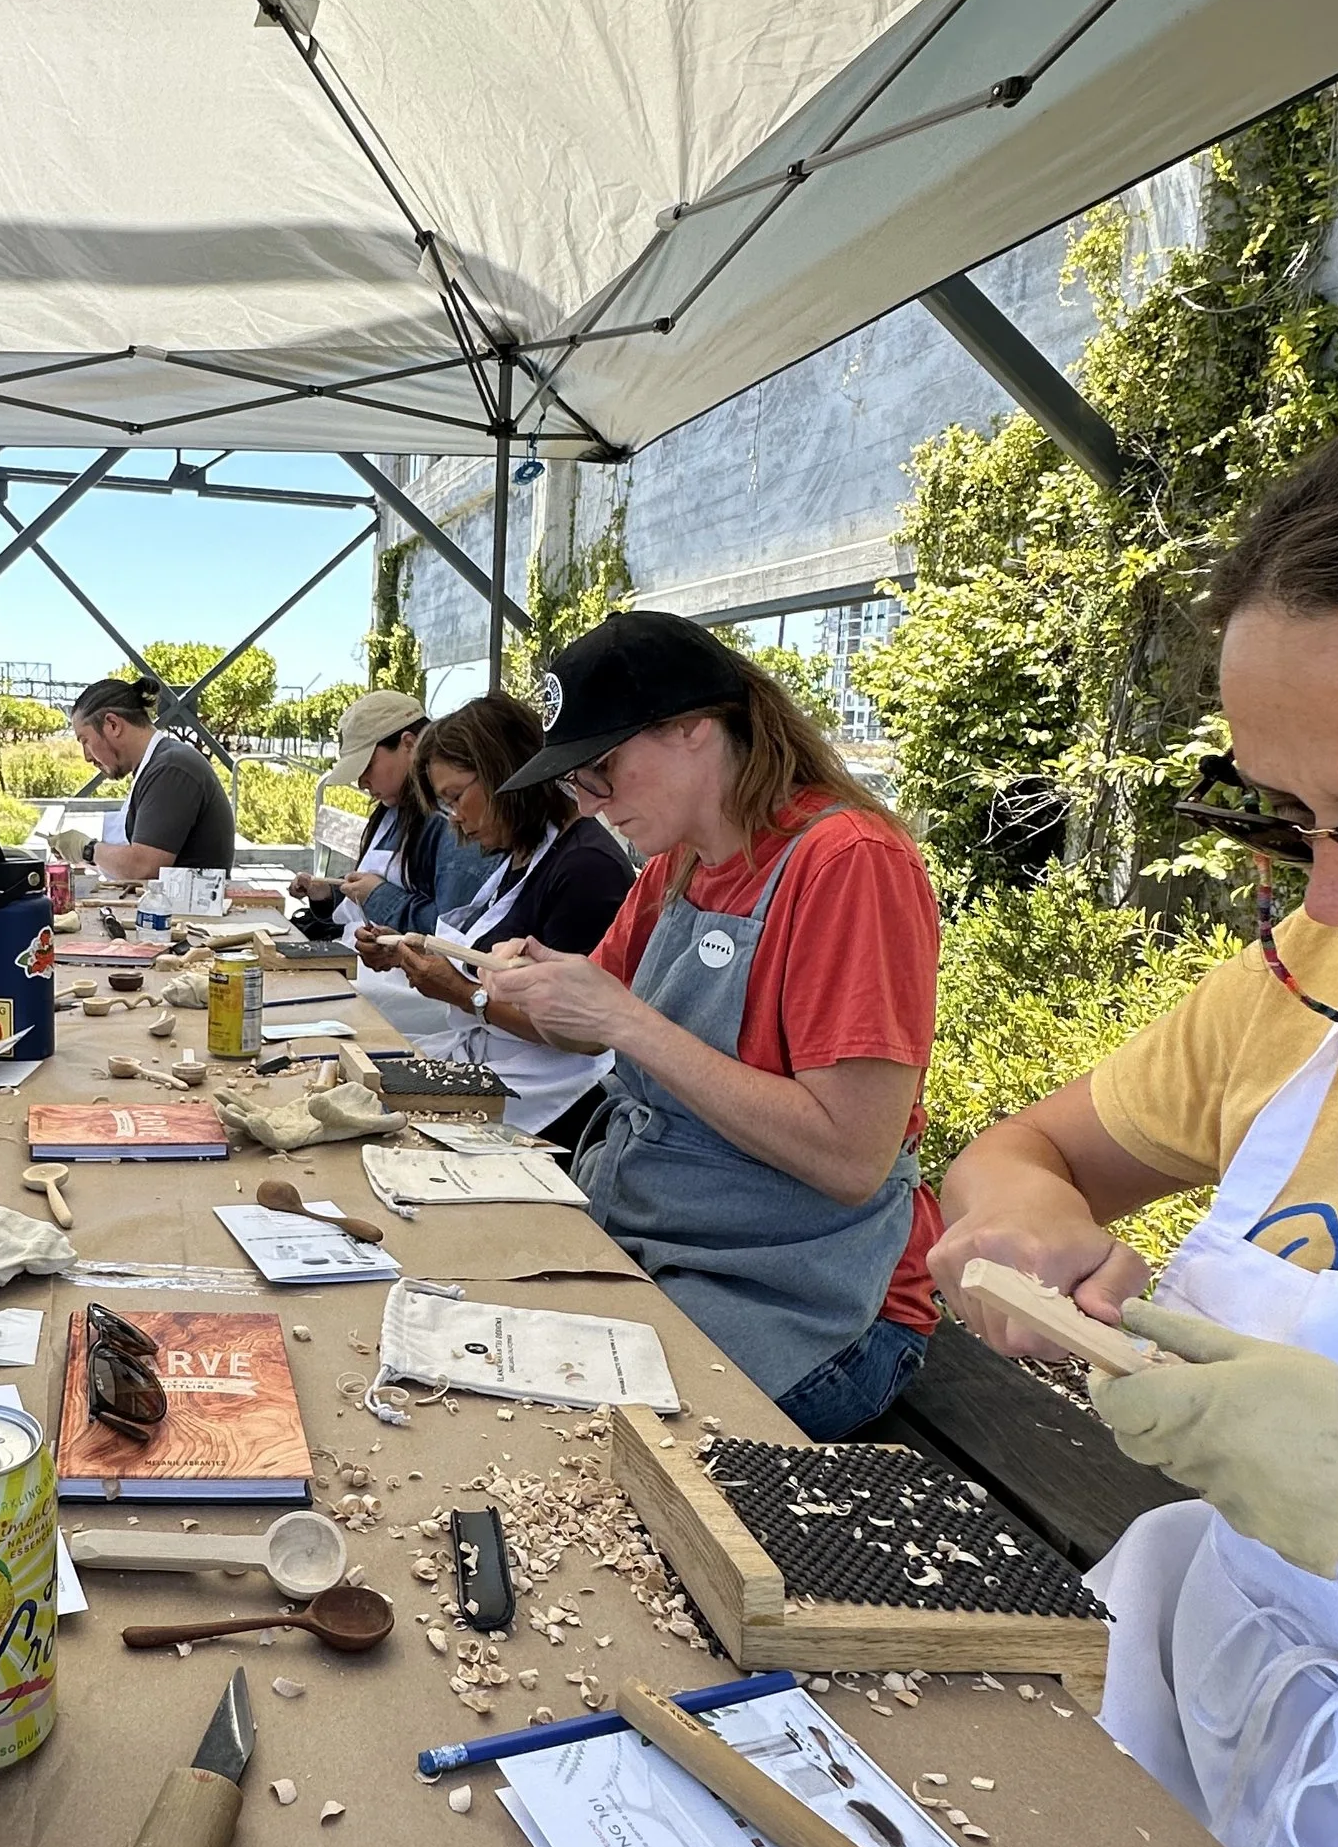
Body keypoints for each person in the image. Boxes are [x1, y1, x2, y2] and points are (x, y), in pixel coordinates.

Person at [933, 418, 1338, 1847]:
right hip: (1229, 1740)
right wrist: (1026, 1215)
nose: (1328, 893)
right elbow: (1016, 1150)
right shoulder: (1315, 984)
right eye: (1287, 818)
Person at [485, 613, 942, 1436]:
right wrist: (542, 987)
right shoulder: (678, 862)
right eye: (577, 783)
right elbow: (593, 1027)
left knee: (540, 1441)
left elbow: (851, 1158)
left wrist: (625, 1018)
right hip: (660, 1239)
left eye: (601, 771)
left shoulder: (849, 863)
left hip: (808, 1305)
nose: (589, 804)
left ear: (694, 727)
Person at [351, 690, 632, 1142]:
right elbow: (480, 956)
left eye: (457, 797)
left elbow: (580, 1029)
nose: (456, 820)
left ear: (504, 772)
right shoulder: (523, 850)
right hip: (492, 1061)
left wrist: (464, 994)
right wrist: (406, 948)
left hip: (550, 1093)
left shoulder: (587, 869)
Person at [292, 688, 487, 937]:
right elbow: (374, 882)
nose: (361, 781)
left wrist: (378, 897)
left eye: (367, 766)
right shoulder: (393, 808)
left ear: (409, 744)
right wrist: (329, 893)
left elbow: (454, 930)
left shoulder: (452, 818)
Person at [68, 677, 237, 882]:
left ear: (113, 724)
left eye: (85, 741)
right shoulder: (156, 765)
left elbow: (143, 866)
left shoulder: (171, 767)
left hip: (189, 910)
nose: (87, 756)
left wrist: (88, 850)